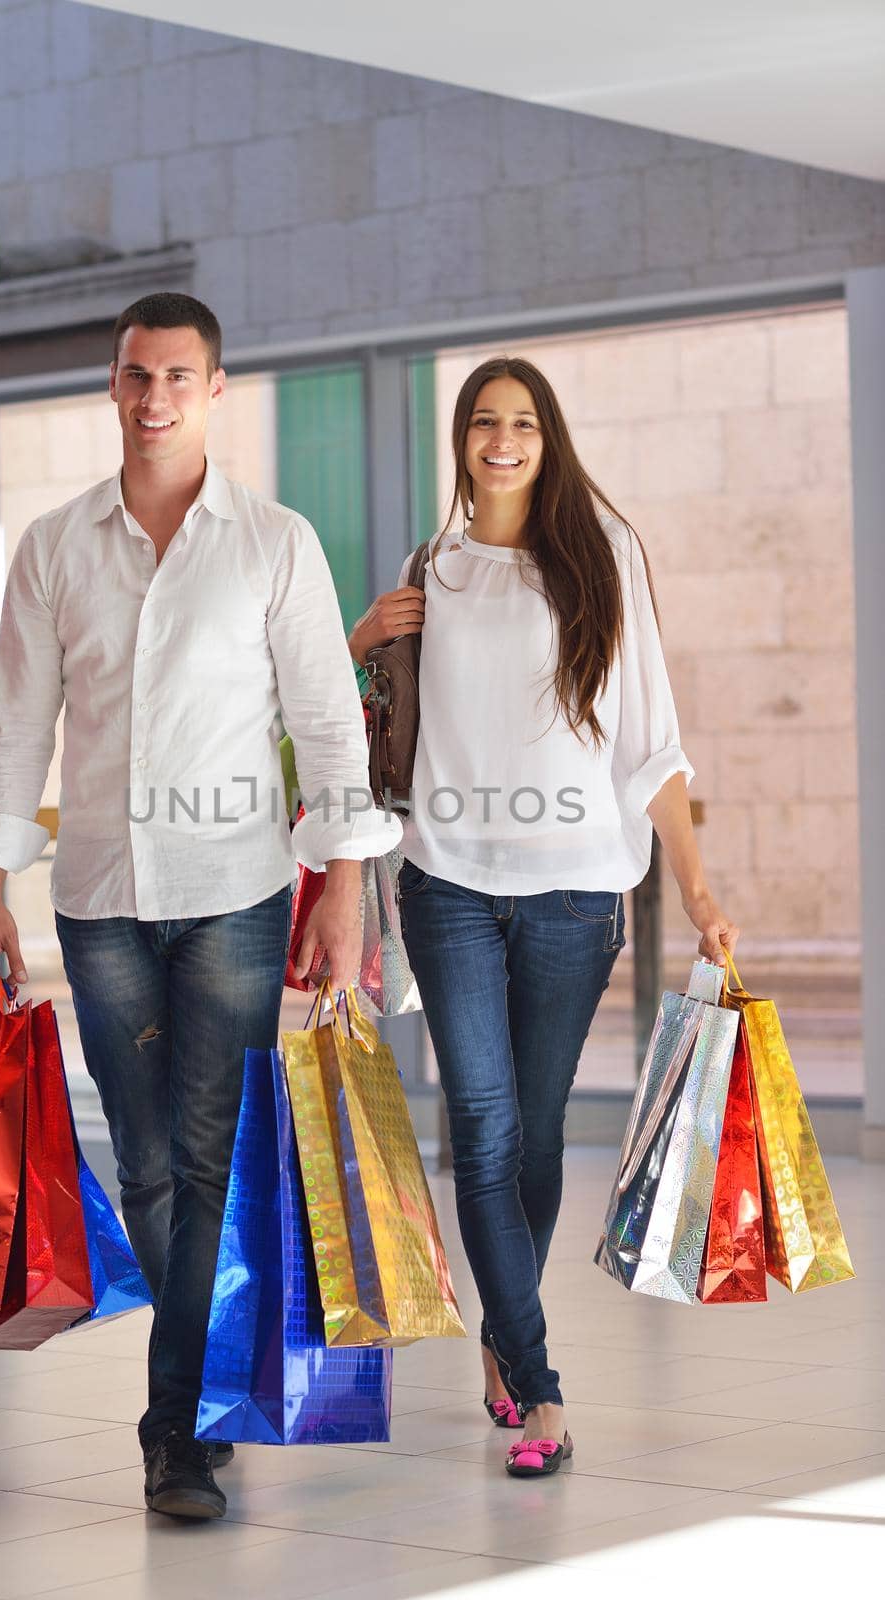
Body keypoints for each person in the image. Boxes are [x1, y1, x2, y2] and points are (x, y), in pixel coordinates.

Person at [0, 292, 400, 1520]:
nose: (155, 399)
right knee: (150, 1165)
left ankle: (174, 1431)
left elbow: (324, 720)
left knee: (202, 1155)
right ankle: (209, 1376)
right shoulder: (53, 546)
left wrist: (345, 883)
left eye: (178, 377)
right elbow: (14, 727)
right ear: (112, 385)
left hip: (236, 894)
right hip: (98, 898)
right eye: (137, 376)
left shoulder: (274, 542)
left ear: (214, 389)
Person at [348, 355, 738, 1479]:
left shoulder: (601, 558)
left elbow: (651, 742)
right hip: (451, 882)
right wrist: (364, 635)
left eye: (522, 423)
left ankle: (500, 1334)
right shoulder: (436, 568)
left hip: (574, 890)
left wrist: (702, 890)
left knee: (533, 1133)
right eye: (484, 422)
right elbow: (348, 717)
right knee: (479, 1124)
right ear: (462, 439)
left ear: (547, 437)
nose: (502, 440)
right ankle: (541, 1380)